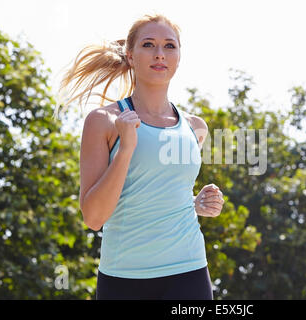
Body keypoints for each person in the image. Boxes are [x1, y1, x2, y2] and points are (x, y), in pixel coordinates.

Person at [56, 13, 225, 300]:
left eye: (169, 46)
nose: (160, 54)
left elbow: (158, 188)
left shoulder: (195, 127)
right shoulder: (104, 121)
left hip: (190, 270)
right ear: (131, 56)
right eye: (148, 44)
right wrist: (125, 150)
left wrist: (195, 203)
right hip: (125, 278)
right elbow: (94, 217)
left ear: (179, 57)